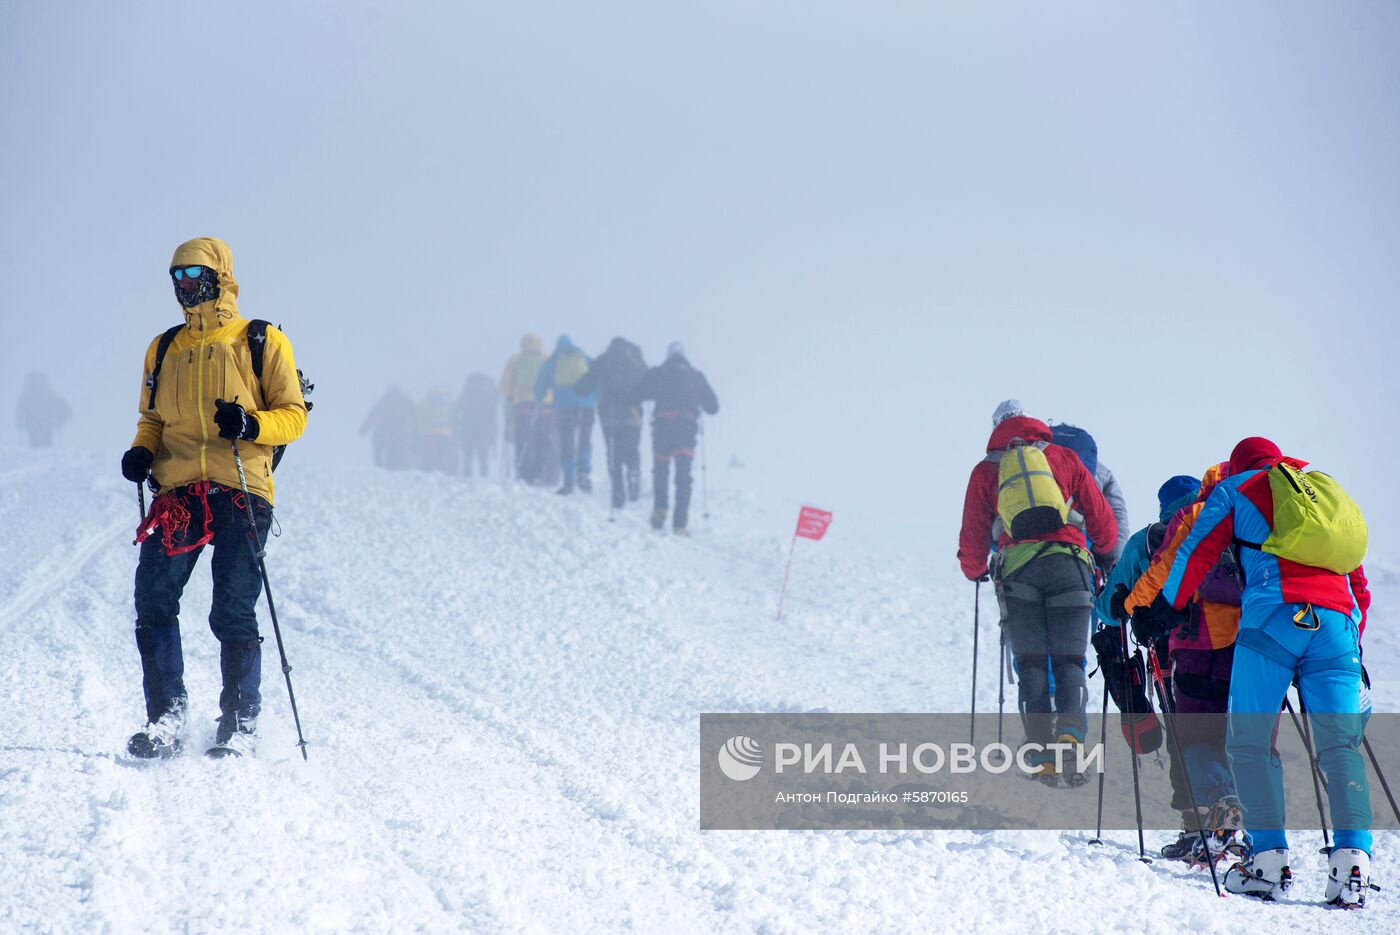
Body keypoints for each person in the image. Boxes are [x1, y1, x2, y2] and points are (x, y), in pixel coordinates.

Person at [1159, 437, 1372, 906]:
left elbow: (1195, 552)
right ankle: (1353, 863)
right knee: (1340, 744)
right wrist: (1350, 642)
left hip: (1274, 617)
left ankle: (1268, 863)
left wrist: (1166, 608)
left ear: (1236, 466)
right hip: (1336, 625)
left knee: (1250, 743)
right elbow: (1357, 580)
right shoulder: (1320, 491)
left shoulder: (1236, 489)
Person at [121, 237, 307, 759]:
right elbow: (152, 419)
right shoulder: (163, 348)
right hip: (179, 493)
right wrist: (141, 451)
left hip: (241, 488)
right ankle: (167, 720)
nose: (184, 284)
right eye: (176, 276)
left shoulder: (258, 340)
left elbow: (293, 414)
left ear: (220, 274)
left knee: (232, 609)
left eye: (193, 273)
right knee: (153, 599)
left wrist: (251, 423)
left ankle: (241, 726)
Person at [958, 406, 1117, 784]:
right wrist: (1107, 555)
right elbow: (1101, 516)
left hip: (1019, 573)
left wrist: (975, 569)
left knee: (1031, 663)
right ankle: (1072, 740)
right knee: (1069, 662)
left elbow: (973, 533)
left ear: (997, 429)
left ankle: (1041, 754)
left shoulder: (986, 470)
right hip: (1072, 568)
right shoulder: (1063, 457)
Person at [1099, 470, 1244, 862]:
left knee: (1188, 738)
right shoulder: (1227, 525)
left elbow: (1109, 608)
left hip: (1176, 650)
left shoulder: (1150, 538)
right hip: (1241, 647)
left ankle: (1197, 825)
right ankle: (1235, 821)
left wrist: (1117, 608)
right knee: (1227, 735)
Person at [631, 342, 718, 535]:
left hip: (663, 428)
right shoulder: (696, 376)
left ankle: (660, 511)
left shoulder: (657, 373)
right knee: (683, 478)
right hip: (686, 430)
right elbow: (713, 407)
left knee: (661, 471)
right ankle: (680, 524)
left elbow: (636, 394)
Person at [575, 337, 647, 511]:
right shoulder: (636, 358)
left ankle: (618, 493)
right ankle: (633, 470)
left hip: (609, 411)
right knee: (632, 447)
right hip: (633, 410)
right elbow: (649, 380)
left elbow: (586, 385)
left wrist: (575, 387)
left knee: (613, 450)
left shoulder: (604, 359)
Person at [1047, 420, 1130, 567]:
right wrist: (1114, 560)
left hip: (1036, 544)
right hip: (1082, 549)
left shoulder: (1035, 463)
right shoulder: (1100, 471)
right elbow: (1117, 513)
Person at [534, 335, 596, 495]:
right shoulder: (584, 357)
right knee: (584, 439)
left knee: (567, 443)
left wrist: (539, 397)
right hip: (586, 405)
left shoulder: (553, 361)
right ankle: (584, 472)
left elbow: (540, 385)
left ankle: (568, 481)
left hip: (564, 408)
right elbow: (597, 376)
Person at [500, 334, 548, 484]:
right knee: (541, 437)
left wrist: (511, 395)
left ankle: (524, 472)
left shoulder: (515, 359)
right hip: (545, 404)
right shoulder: (547, 358)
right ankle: (540, 470)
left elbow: (504, 385)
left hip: (522, 403)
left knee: (523, 437)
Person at [359, 385, 417, 469]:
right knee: (399, 451)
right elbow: (414, 417)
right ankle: (401, 466)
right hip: (400, 432)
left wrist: (364, 428)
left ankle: (379, 467)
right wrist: (416, 434)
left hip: (383, 431)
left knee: (379, 449)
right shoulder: (405, 401)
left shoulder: (384, 400)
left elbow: (373, 414)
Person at [454, 373, 498, 478]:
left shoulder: (467, 393)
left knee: (468, 455)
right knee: (483, 455)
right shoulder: (488, 395)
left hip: (468, 426)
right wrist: (494, 432)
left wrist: (457, 427)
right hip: (484, 428)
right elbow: (493, 414)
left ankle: (467, 476)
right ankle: (484, 476)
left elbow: (458, 409)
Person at [16, 372, 71, 448]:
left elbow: (21, 409)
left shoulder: (26, 394)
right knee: (46, 446)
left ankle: (36, 457)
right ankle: (43, 457)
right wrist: (58, 419)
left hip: (31, 423)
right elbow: (56, 403)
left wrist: (20, 422)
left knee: (35, 445)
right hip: (46, 423)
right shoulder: (48, 392)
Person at [418, 387, 458, 473]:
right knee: (445, 455)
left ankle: (428, 470)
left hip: (429, 433)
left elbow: (421, 417)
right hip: (446, 433)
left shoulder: (426, 402)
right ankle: (447, 471)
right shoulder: (450, 402)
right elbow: (454, 418)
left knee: (429, 455)